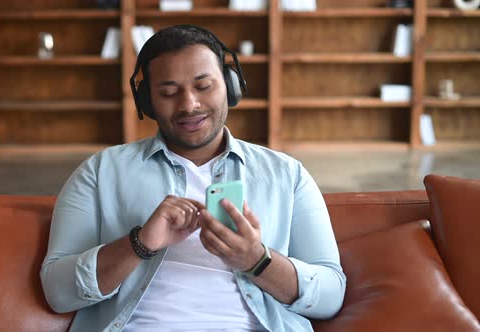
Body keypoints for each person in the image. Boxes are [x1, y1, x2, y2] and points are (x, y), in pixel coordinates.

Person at [40, 24, 346, 332]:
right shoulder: (100, 172)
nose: (188, 105)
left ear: (230, 86)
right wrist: (139, 244)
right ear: (146, 102)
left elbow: (331, 294)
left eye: (203, 86)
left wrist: (256, 260)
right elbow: (57, 292)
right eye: (168, 93)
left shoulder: (287, 175)